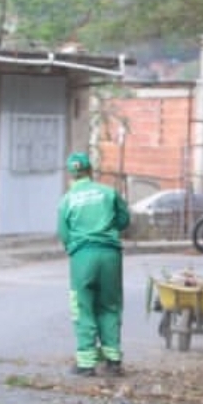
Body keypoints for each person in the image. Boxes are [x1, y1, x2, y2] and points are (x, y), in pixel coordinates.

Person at [57, 152, 131, 377]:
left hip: (82, 256)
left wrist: (76, 247)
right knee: (110, 305)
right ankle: (113, 360)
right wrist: (108, 231)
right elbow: (124, 219)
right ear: (90, 171)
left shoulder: (67, 200)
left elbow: (64, 234)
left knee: (83, 306)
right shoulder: (108, 192)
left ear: (71, 175)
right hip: (110, 254)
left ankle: (86, 363)